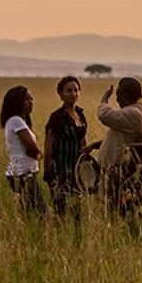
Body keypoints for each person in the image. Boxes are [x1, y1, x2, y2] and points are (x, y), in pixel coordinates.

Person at [96, 76, 142, 210]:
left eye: (119, 95)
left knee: (114, 208)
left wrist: (105, 99)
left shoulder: (133, 114)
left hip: (119, 173)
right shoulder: (133, 113)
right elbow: (121, 139)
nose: (117, 99)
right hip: (115, 172)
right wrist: (97, 145)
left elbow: (104, 115)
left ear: (127, 95)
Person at [42, 74, 89, 217]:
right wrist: (47, 171)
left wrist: (87, 163)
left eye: (76, 90)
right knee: (61, 210)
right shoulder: (56, 117)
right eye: (68, 91)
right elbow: (48, 145)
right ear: (60, 94)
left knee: (77, 210)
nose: (73, 94)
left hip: (77, 169)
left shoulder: (80, 114)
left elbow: (83, 140)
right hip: (61, 169)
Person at [0, 84, 45, 214]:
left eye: (31, 99)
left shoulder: (17, 121)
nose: (31, 103)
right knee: (41, 213)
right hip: (23, 174)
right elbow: (32, 147)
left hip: (22, 173)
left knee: (30, 213)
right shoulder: (16, 121)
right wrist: (39, 153)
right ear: (16, 102)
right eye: (26, 99)